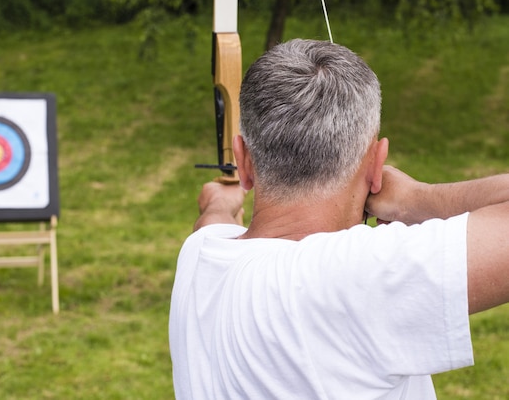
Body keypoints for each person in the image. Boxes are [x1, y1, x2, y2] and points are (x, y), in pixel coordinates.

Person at [168, 39, 509, 399]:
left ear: (243, 160)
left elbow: (213, 226)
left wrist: (219, 204)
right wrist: (413, 199)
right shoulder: (358, 275)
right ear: (377, 164)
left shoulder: (199, 255)